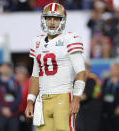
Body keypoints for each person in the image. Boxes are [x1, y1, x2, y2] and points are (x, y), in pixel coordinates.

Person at [25, 2, 86, 131]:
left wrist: (76, 98)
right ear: (44, 19)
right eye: (48, 18)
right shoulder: (37, 41)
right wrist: (30, 101)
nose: (52, 22)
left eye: (56, 18)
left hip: (63, 96)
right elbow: (35, 76)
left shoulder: (70, 38)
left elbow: (81, 72)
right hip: (43, 98)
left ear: (62, 20)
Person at [0, 62, 21, 131]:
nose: (5, 69)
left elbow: (18, 98)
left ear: (10, 69)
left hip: (13, 113)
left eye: (7, 68)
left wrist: (10, 109)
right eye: (3, 67)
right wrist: (2, 109)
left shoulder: (15, 82)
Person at [101, 62, 119, 131]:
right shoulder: (106, 82)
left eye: (114, 69)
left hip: (118, 116)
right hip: (106, 115)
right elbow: (102, 95)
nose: (112, 70)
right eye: (111, 69)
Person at [75, 62, 102, 131]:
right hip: (87, 107)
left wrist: (74, 99)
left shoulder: (91, 79)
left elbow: (87, 95)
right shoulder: (85, 79)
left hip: (92, 108)